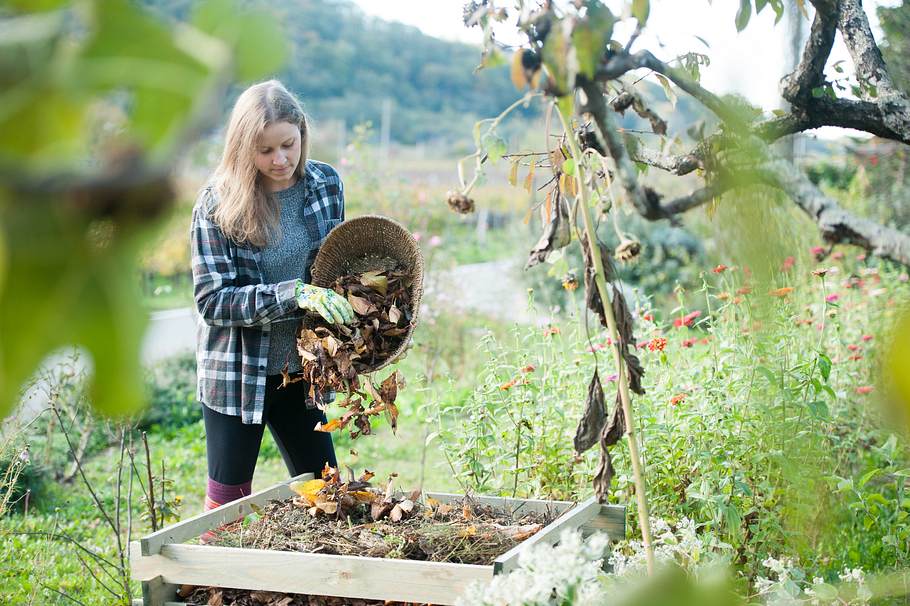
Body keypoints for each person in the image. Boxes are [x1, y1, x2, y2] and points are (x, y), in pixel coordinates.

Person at [190, 79, 355, 520]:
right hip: (237, 375)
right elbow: (213, 301)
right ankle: (208, 587)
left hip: (302, 374)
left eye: (289, 144)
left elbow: (333, 269)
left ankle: (320, 586)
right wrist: (293, 294)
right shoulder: (217, 203)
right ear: (244, 147)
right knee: (227, 509)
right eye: (266, 151)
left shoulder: (325, 184)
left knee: (326, 497)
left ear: (302, 132)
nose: (280, 160)